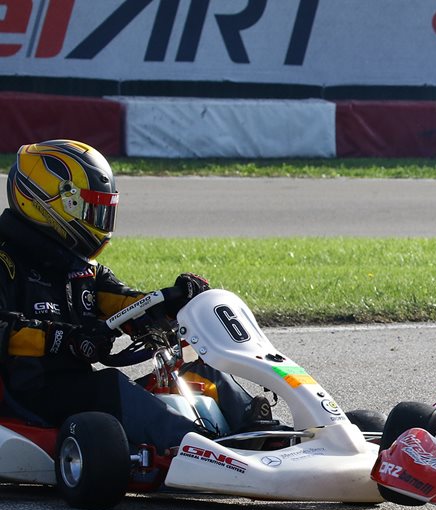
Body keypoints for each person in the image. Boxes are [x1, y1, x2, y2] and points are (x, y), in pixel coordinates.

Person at [0, 139, 262, 453]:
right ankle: (201, 449)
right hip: (28, 397)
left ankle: (260, 432)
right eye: (89, 210)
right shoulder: (6, 261)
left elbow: (127, 304)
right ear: (46, 202)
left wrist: (175, 302)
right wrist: (65, 339)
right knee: (111, 386)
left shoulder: (81, 271)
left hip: (79, 393)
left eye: (101, 211)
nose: (97, 221)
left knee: (200, 372)